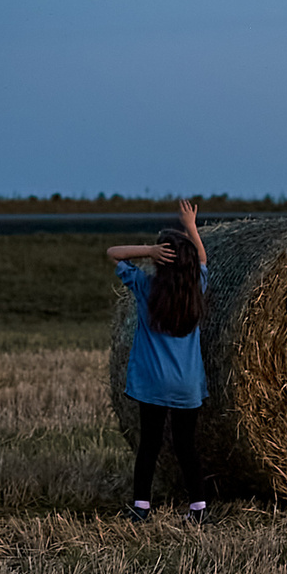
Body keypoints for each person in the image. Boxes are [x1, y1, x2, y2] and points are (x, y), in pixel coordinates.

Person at [106, 200, 211, 524]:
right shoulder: (196, 288)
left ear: (161, 262)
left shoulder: (145, 288)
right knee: (185, 446)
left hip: (152, 382)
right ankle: (198, 508)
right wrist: (191, 227)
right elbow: (202, 259)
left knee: (149, 445)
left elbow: (113, 253)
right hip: (186, 384)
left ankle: (141, 507)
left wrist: (149, 250)